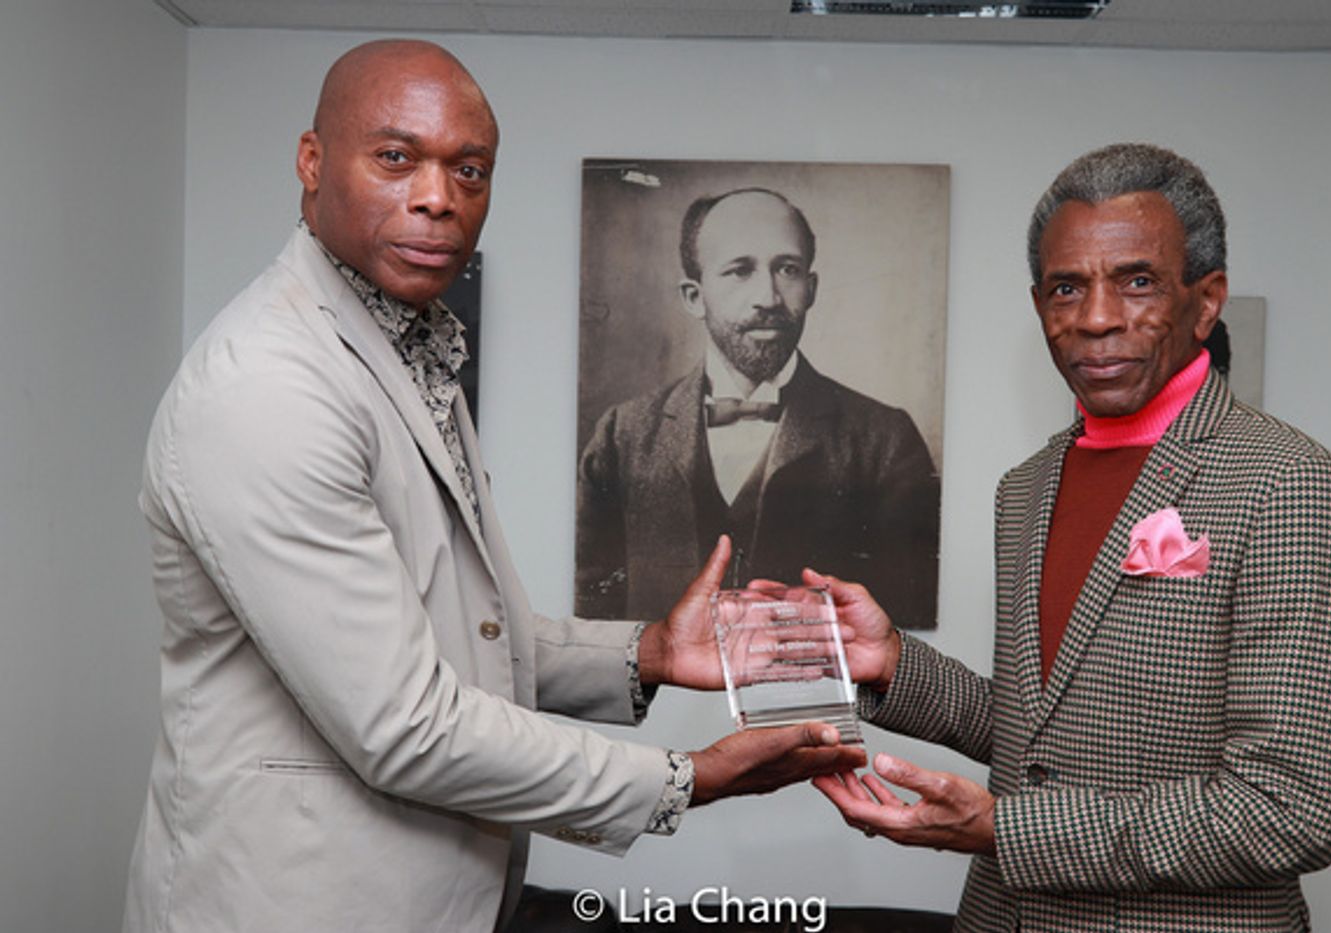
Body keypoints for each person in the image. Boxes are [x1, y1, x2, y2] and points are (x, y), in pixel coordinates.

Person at [121, 40, 864, 933]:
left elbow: (460, 636)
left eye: (469, 170)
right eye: (397, 157)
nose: (439, 196)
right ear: (312, 163)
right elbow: (405, 721)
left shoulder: (406, 346)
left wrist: (650, 654)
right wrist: (688, 779)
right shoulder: (270, 387)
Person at [812, 143, 1331, 932]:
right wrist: (897, 664)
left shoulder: (1289, 484)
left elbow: (1291, 806)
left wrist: (1006, 830)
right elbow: (1047, 734)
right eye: (1067, 287)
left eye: (1136, 280)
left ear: (1206, 301)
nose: (1096, 317)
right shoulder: (1027, 486)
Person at [575, 187, 941, 626]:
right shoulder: (622, 435)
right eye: (739, 271)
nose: (767, 297)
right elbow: (592, 628)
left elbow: (906, 632)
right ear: (694, 296)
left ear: (811, 288)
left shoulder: (885, 441)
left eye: (787, 269)